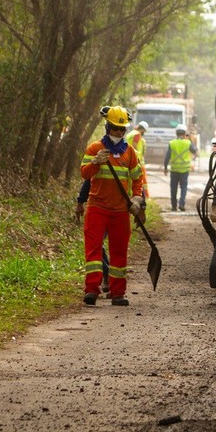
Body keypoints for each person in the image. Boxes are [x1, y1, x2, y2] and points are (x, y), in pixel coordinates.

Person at [80, 105, 146, 306]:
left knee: (119, 253)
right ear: (107, 127)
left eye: (121, 129)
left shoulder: (131, 153)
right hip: (97, 208)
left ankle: (117, 293)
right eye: (115, 129)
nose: (118, 132)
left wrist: (137, 200)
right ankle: (92, 290)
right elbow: (84, 174)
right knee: (93, 251)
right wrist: (95, 163)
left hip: (119, 212)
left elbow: (137, 179)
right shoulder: (94, 148)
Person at [164, 124, 197, 212]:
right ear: (185, 133)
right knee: (183, 187)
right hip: (184, 169)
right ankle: (181, 204)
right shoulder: (188, 143)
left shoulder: (172, 143)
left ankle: (174, 206)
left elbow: (167, 156)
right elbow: (194, 150)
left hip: (174, 169)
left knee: (173, 188)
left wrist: (165, 167)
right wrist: (190, 139)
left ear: (176, 133)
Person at [125, 120, 150, 197]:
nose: (144, 132)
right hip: (137, 161)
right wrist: (136, 157)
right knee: (142, 180)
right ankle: (145, 196)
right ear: (142, 129)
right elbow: (134, 145)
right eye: (144, 131)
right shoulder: (137, 134)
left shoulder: (130, 134)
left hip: (128, 159)